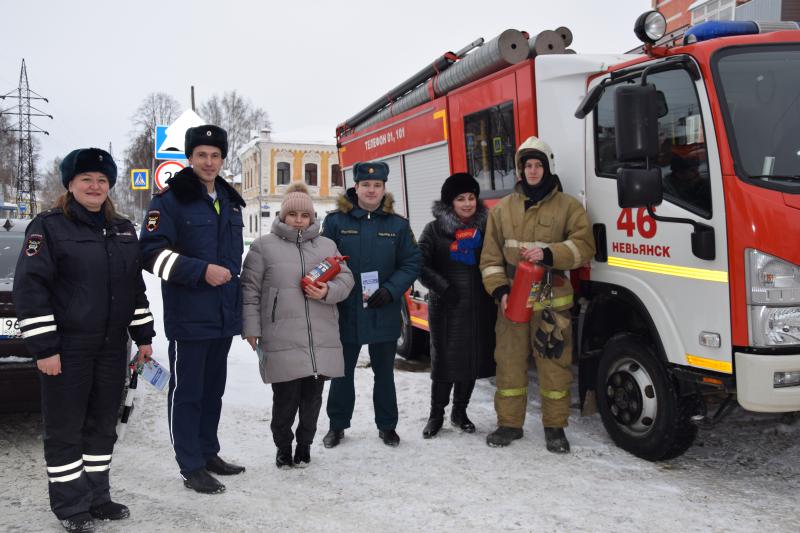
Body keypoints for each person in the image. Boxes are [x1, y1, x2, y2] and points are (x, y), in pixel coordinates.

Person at [13, 148, 155, 533]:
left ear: (109, 186)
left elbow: (134, 289)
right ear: (71, 184)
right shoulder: (48, 227)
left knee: (102, 425)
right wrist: (45, 348)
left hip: (111, 348)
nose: (95, 186)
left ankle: (97, 496)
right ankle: (70, 504)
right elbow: (30, 289)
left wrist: (143, 337)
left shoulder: (123, 228)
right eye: (86, 179)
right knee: (65, 426)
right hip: (67, 349)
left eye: (102, 180)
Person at [139, 125, 246, 494]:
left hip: (222, 315)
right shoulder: (170, 201)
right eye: (201, 154)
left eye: (215, 155)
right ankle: (190, 465)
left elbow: (234, 260)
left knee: (213, 390)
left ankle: (207, 451)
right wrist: (201, 271)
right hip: (189, 315)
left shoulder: (230, 200)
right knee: (187, 392)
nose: (209, 161)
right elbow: (151, 254)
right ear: (189, 158)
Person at [480, 136, 595, 453]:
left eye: (537, 165)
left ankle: (555, 427)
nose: (532, 171)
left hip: (551, 306)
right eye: (527, 165)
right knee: (509, 364)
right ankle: (509, 425)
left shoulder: (569, 207)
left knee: (555, 366)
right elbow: (490, 259)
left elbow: (585, 248)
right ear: (520, 170)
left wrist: (549, 253)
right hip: (512, 305)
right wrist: (500, 291)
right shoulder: (502, 211)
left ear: (547, 168)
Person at [241, 183, 354, 468]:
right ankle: (283, 447)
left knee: (312, 401)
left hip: (320, 338)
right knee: (285, 401)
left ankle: (304, 445)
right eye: (293, 214)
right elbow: (250, 291)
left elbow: (346, 280)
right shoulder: (263, 246)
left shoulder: (327, 246)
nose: (299, 220)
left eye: (305, 215)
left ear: (313, 217)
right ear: (282, 215)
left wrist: (327, 292)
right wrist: (251, 329)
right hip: (281, 338)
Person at [321, 161, 421, 448]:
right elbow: (326, 261)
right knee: (342, 373)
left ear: (384, 188)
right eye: (366, 185)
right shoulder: (336, 222)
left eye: (377, 185)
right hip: (346, 311)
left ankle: (387, 426)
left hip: (383, 310)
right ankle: (337, 425)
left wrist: (391, 291)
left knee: (384, 374)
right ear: (356, 187)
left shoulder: (398, 225)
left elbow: (412, 262)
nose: (371, 190)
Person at [417, 173, 496, 439]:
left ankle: (459, 412)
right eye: (460, 198)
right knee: (444, 363)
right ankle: (436, 415)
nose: (467, 203)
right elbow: (420, 265)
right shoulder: (434, 229)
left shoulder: (486, 228)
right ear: (450, 202)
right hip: (447, 308)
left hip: (479, 307)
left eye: (471, 197)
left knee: (470, 361)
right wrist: (444, 288)